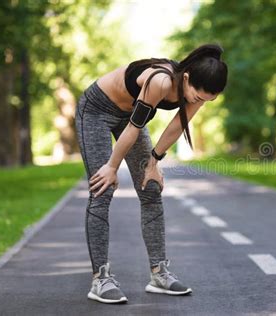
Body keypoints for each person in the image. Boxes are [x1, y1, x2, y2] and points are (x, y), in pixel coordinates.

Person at [74, 43, 228, 304]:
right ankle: (100, 278)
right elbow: (135, 127)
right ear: (186, 78)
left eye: (206, 100)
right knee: (102, 189)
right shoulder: (160, 81)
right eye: (198, 97)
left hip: (130, 117)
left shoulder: (199, 88)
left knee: (151, 188)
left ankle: (159, 273)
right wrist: (111, 167)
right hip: (96, 112)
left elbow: (178, 125)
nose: (200, 102)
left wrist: (154, 162)